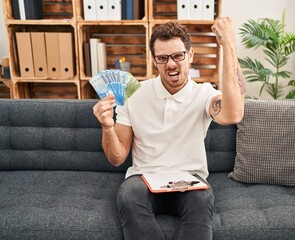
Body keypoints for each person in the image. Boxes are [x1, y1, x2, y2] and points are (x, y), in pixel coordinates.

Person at [93, 17, 245, 240]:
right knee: (129, 194)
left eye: (178, 56)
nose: (171, 64)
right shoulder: (132, 94)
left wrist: (229, 44)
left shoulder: (204, 94)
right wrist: (107, 127)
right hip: (143, 179)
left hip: (189, 180)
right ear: (154, 61)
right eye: (162, 58)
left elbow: (234, 114)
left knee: (201, 198)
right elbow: (117, 158)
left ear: (190, 55)